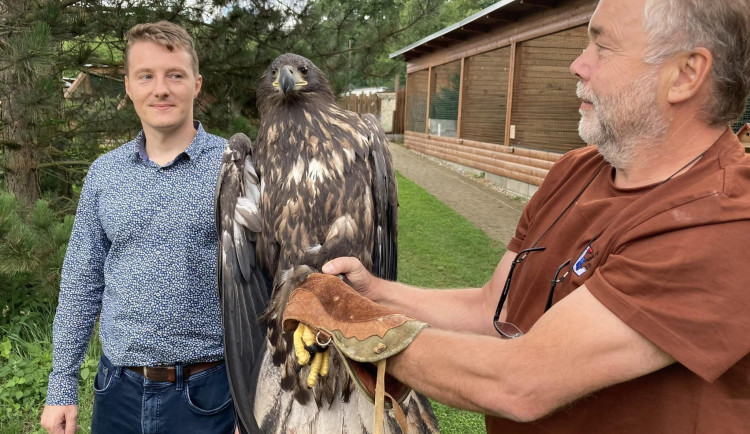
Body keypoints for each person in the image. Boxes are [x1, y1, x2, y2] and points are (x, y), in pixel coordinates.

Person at [317, 0, 750, 432]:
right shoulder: (575, 171)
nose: (578, 65)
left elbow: (521, 381)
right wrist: (376, 293)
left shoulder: (724, 221)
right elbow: (493, 308)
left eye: (604, 47)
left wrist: (353, 327)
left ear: (686, 74)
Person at [40, 21, 235, 434]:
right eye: (146, 76)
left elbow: (267, 288)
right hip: (117, 393)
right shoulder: (104, 173)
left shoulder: (234, 167)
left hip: (211, 396)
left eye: (175, 75)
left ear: (196, 85)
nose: (160, 89)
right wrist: (62, 386)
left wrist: (257, 401)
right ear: (128, 86)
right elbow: (81, 282)